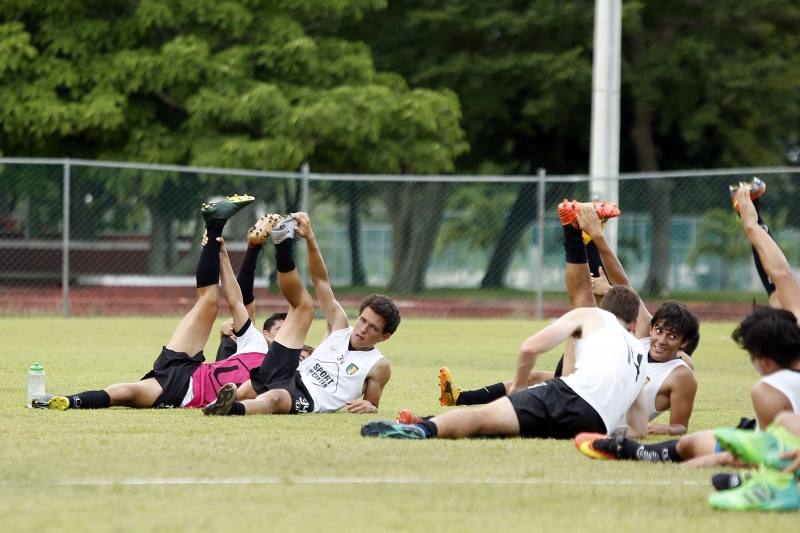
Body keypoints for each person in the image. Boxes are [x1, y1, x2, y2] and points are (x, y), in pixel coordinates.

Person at [575, 183, 800, 509]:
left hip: (783, 453)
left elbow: (779, 274)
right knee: (697, 443)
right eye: (659, 331)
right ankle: (630, 450)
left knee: (753, 442)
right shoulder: (788, 343)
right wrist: (752, 219)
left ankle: (759, 485)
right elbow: (778, 275)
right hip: (779, 442)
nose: (662, 339)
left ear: (761, 357)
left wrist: (751, 219)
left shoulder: (767, 390)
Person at [362, 200, 649, 440]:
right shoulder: (639, 354)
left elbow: (530, 348)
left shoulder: (593, 315)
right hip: (593, 424)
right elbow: (639, 429)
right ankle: (574, 233)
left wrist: (518, 389)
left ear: (605, 304)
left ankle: (423, 429)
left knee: (484, 417)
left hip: (568, 396)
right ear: (635, 323)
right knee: (499, 427)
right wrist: (609, 431)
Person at [428, 206, 700, 437]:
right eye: (659, 331)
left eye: (672, 337)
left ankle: (578, 233)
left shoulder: (679, 370)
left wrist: (598, 238)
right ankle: (459, 400)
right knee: (520, 397)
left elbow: (676, 425)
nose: (661, 340)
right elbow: (624, 287)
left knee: (584, 307)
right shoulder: (640, 348)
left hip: (582, 398)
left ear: (684, 343)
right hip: (591, 408)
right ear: (645, 326)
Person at [30, 195, 283, 410]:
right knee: (209, 302)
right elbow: (238, 301)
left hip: (179, 391)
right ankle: (215, 222)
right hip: (189, 363)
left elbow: (257, 398)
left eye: (301, 353)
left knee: (125, 393)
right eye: (279, 331)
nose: (287, 342)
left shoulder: (277, 378)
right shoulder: (258, 346)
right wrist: (220, 251)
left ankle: (67, 400)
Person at [202, 212, 401, 416]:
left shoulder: (378, 365)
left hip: (310, 395)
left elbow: (372, 403)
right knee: (246, 389)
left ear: (384, 337)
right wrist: (310, 239)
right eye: (363, 320)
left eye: (373, 328)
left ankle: (228, 409)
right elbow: (321, 281)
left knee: (272, 398)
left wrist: (370, 406)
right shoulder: (340, 326)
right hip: (293, 371)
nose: (363, 329)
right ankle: (283, 246)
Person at [216, 312, 287, 361]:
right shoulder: (255, 348)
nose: (285, 332)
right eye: (279, 329)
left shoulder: (294, 351)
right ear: (265, 333)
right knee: (230, 339)